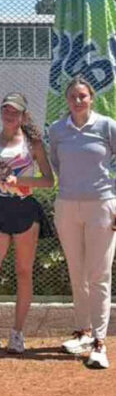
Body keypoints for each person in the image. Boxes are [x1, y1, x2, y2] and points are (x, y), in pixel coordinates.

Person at [0, 93, 54, 353]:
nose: (10, 115)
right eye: (6, 110)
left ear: (23, 115)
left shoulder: (34, 144)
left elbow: (48, 180)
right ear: (1, 112)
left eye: (15, 111)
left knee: (23, 272)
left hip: (25, 210)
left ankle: (17, 334)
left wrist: (19, 182)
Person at [49, 75, 116, 369]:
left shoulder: (107, 126)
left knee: (99, 275)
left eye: (83, 96)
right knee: (77, 273)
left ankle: (100, 343)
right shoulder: (57, 130)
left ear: (91, 98)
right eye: (73, 96)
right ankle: (84, 332)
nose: (78, 101)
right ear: (67, 100)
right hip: (67, 207)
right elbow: (56, 164)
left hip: (102, 206)